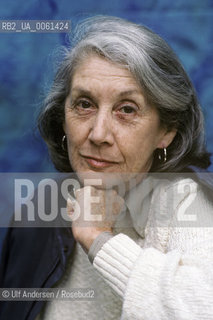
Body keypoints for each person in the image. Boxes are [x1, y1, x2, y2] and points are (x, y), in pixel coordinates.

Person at [1, 15, 213, 320]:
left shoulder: (189, 203)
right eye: (84, 104)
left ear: (167, 130)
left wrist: (99, 239)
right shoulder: (36, 215)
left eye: (127, 110)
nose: (98, 134)